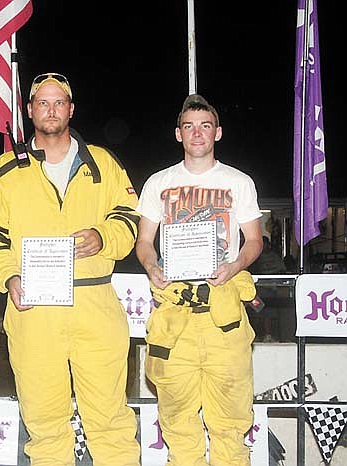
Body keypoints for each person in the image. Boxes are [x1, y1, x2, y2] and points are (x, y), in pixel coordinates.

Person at [0, 72, 141, 465]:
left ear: (70, 109)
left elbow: (130, 216)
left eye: (58, 102)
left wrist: (104, 236)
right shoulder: (5, 169)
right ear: (30, 110)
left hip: (95, 304)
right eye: (42, 103)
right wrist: (9, 276)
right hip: (34, 310)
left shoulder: (102, 163)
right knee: (45, 422)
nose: (50, 110)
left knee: (109, 420)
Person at [135, 94, 263, 466]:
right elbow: (144, 242)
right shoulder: (159, 182)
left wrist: (235, 266)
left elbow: (254, 241)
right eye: (189, 126)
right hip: (174, 318)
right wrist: (152, 267)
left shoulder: (238, 182)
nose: (197, 133)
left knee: (230, 420)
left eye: (205, 125)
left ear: (217, 132)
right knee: (177, 420)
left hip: (223, 314)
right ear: (178, 134)